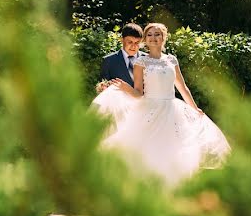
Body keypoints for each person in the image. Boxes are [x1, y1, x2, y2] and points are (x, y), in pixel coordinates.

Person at [91, 22, 230, 187]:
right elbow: (138, 93)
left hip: (173, 110)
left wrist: (194, 108)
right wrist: (124, 87)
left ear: (164, 38)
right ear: (145, 40)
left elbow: (182, 87)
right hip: (150, 111)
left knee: (176, 150)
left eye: (157, 34)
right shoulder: (141, 62)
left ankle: (175, 190)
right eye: (149, 35)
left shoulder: (172, 59)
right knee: (149, 151)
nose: (153, 38)